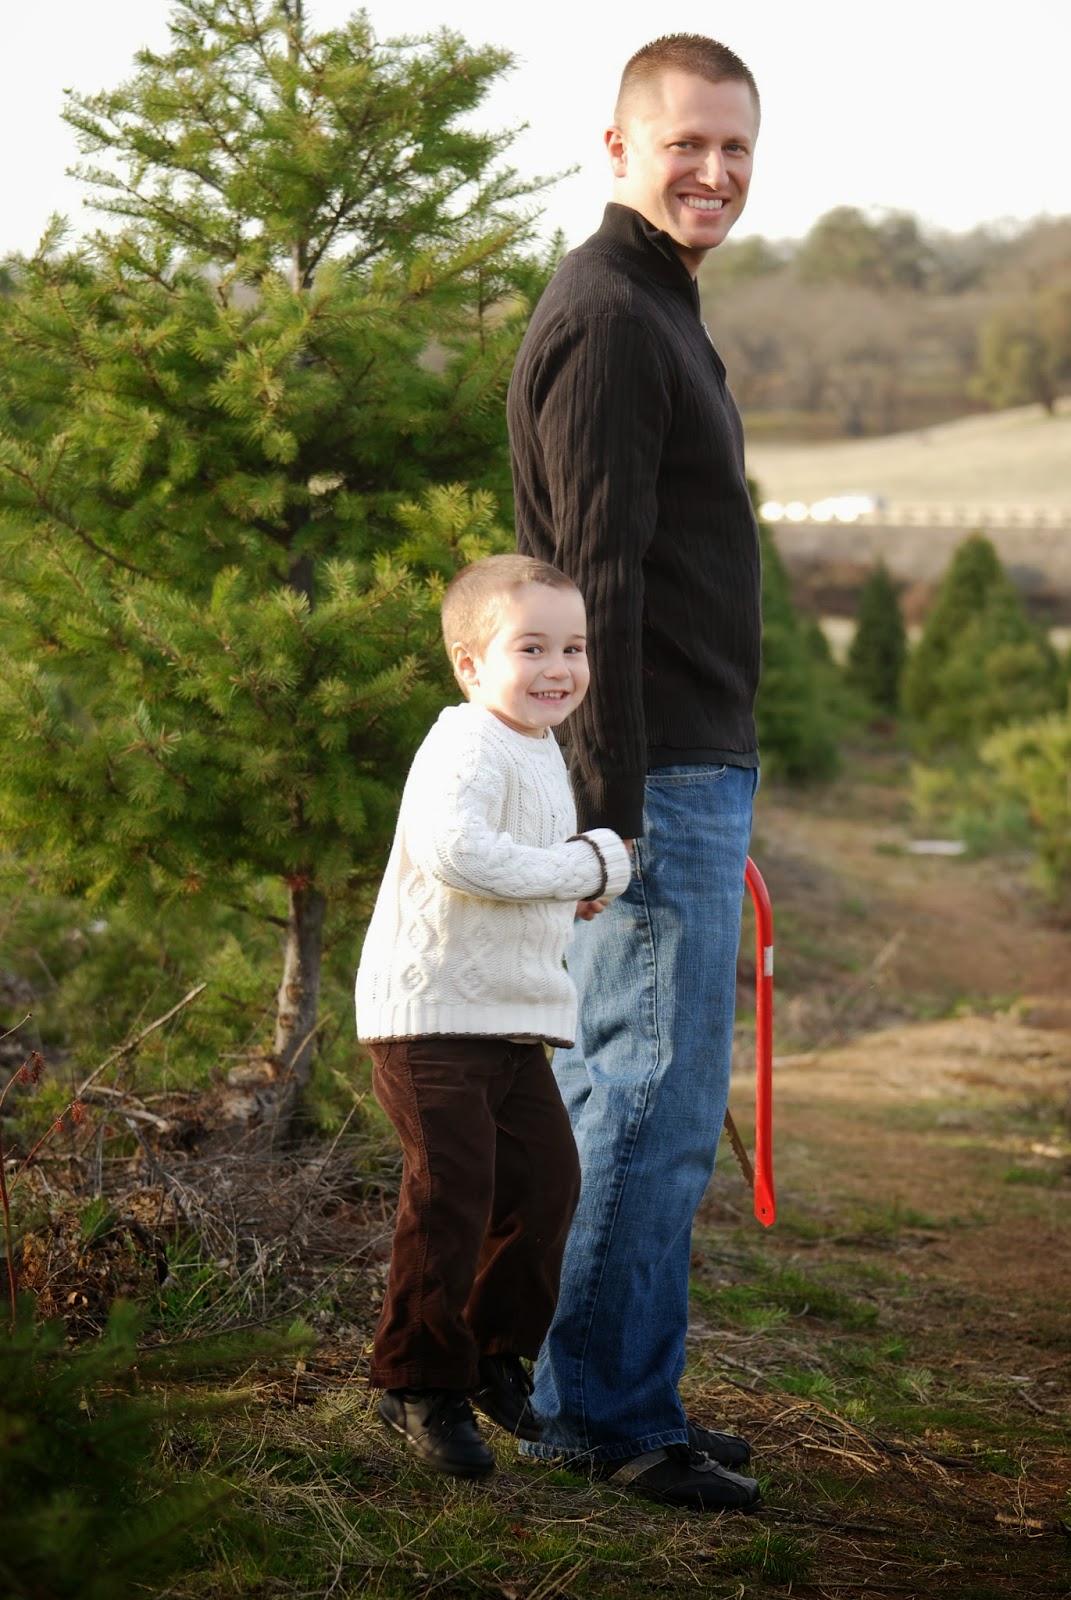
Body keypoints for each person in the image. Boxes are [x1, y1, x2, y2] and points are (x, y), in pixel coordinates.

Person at [506, 34, 764, 1512]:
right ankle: (596, 1417)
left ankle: (618, 1389)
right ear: (617, 149)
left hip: (683, 766)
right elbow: (591, 579)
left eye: (735, 147)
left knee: (644, 1097)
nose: (712, 171)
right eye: (685, 144)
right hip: (647, 777)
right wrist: (611, 821)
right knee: (644, 1101)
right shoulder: (611, 316)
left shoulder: (656, 301)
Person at [355, 553, 631, 1479]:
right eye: (532, 648)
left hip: (508, 1021)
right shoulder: (466, 739)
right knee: (452, 1196)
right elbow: (459, 853)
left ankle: (491, 1354)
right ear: (470, 664)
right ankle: (418, 1381)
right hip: (432, 1015)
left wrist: (566, 886)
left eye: (574, 648)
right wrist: (588, 865)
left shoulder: (538, 747)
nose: (559, 668)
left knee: (546, 1182)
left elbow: (518, 869)